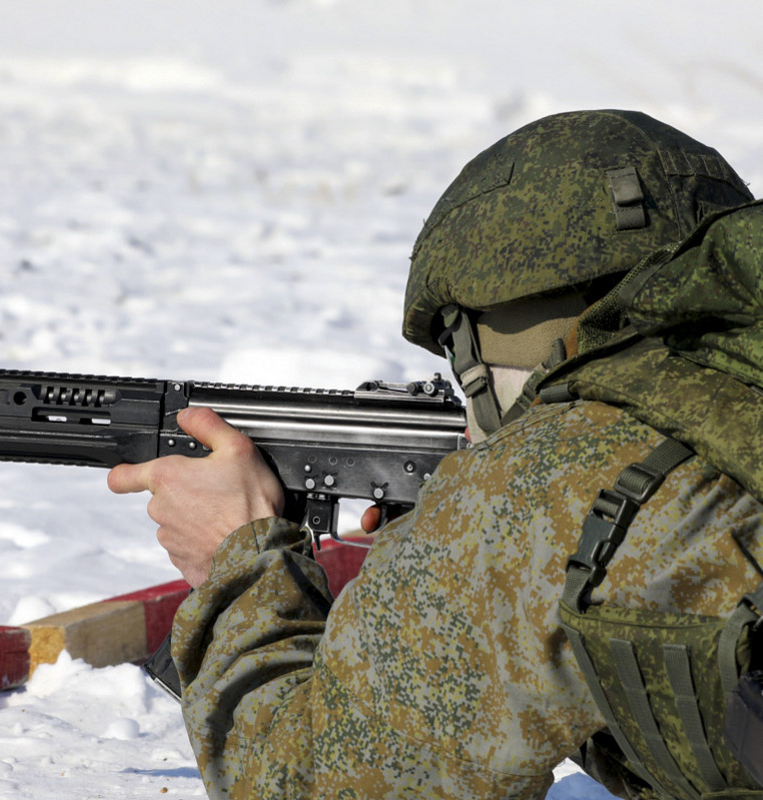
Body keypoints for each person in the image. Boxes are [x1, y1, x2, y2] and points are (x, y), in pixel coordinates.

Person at [108, 109, 763, 799]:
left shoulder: (554, 477)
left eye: (457, 347)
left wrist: (236, 559)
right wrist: (446, 581)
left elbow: (306, 782)